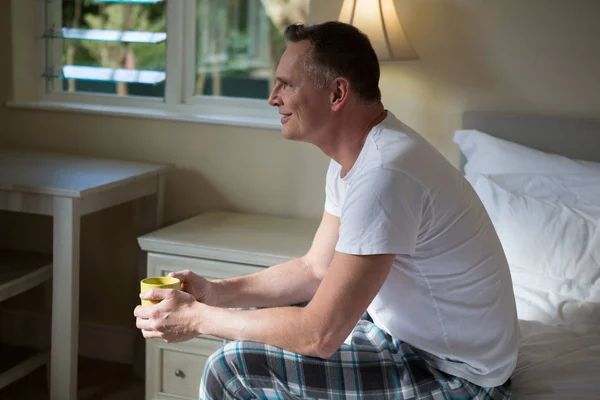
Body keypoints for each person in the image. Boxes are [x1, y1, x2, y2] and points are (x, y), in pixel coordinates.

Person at [134, 21, 519, 399]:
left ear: (337, 93)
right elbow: (315, 269)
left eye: (287, 84)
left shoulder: (385, 175)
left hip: (456, 376)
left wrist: (199, 319)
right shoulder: (356, 159)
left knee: (231, 369)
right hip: (411, 338)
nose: (273, 97)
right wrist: (214, 293)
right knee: (263, 309)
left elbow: (319, 335)